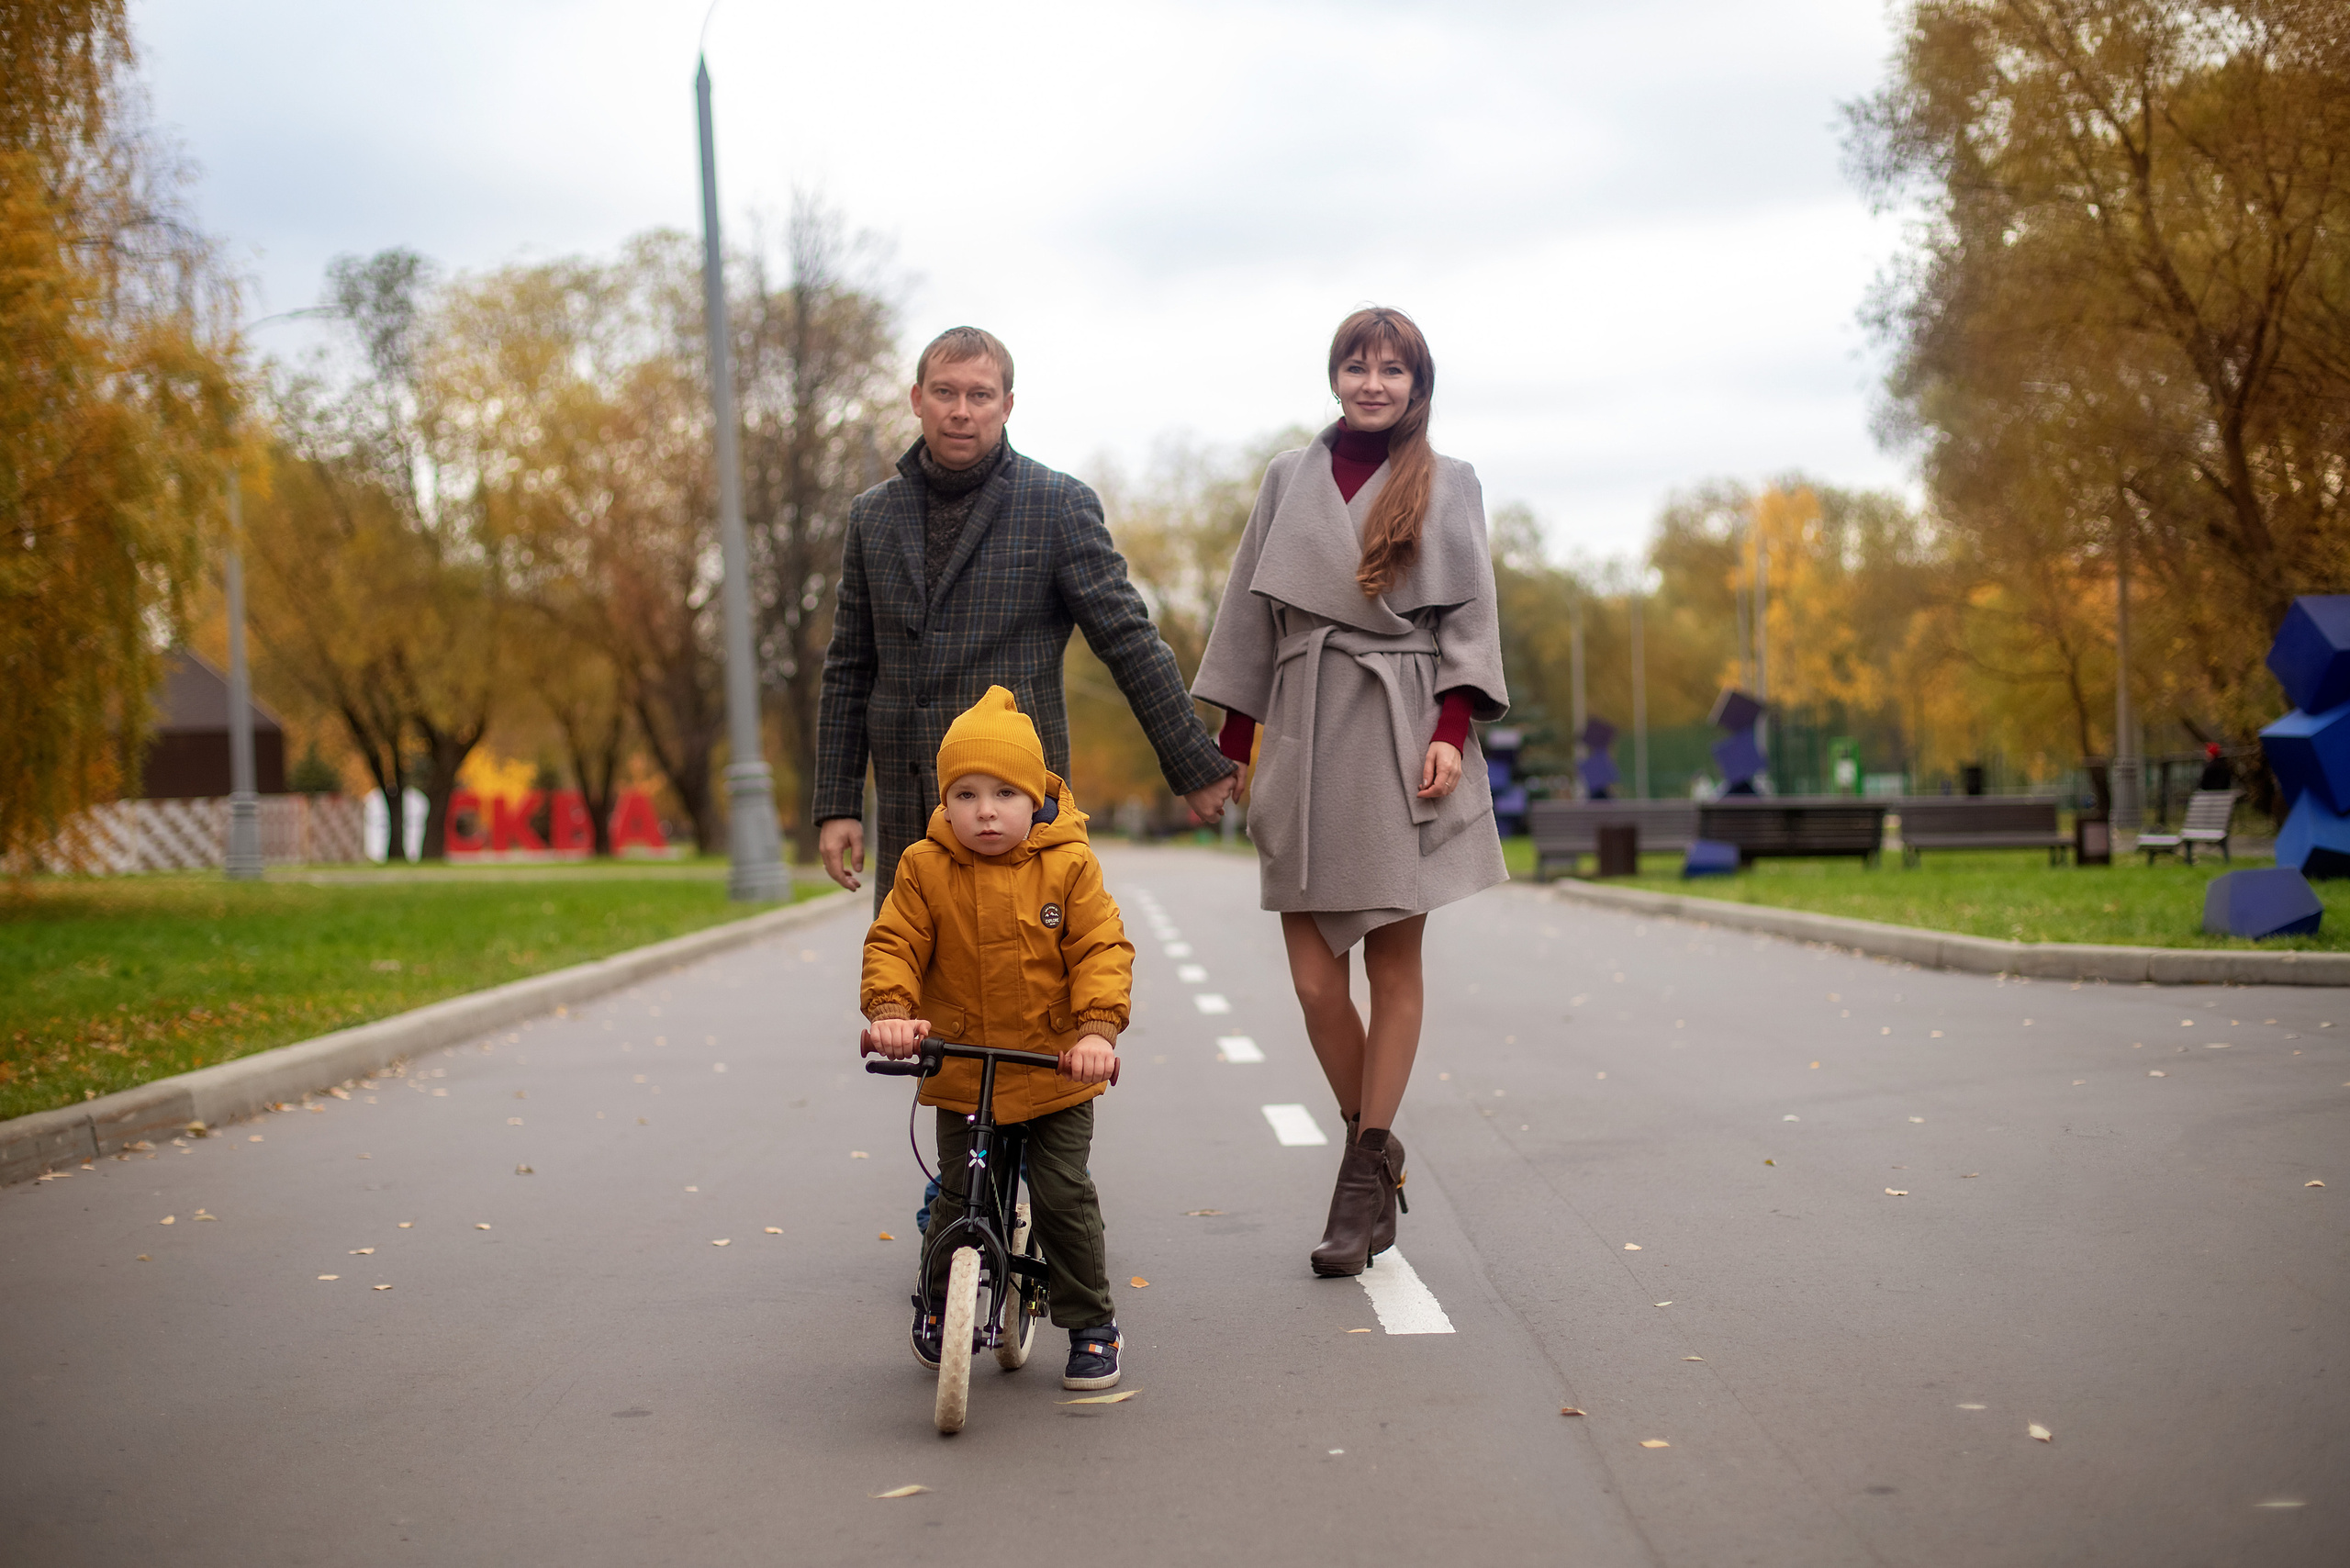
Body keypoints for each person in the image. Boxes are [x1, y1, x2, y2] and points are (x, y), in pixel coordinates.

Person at [1192, 307, 1507, 1277]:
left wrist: (1451, 733)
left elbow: (1469, 618)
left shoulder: (1447, 483)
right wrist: (1230, 747)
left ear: (1418, 385)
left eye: (1391, 370)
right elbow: (1251, 613)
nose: (1372, 383)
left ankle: (1360, 1174)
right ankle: (1378, 1143)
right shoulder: (1289, 475)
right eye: (1356, 365)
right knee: (1312, 980)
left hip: (1402, 727)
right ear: (1335, 375)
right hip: (1302, 721)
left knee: (1392, 967)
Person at [814, 326, 1238, 907]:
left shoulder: (1056, 504)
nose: (961, 412)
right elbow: (849, 668)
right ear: (917, 399)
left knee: (1024, 984)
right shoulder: (873, 516)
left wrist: (1194, 762)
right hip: (911, 810)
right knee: (905, 985)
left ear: (1007, 406)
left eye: (980, 395)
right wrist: (837, 803)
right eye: (944, 393)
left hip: (1019, 812)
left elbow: (1128, 640)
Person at [861, 687, 1134, 1391]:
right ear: (945, 801)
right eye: (967, 794)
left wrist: (1096, 1032)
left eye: (1005, 793)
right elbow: (894, 943)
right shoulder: (925, 868)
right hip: (964, 1067)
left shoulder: (1068, 866)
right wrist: (894, 1012)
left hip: (1053, 1070)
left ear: (1036, 796)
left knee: (1061, 1193)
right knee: (957, 1195)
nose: (986, 810)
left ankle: (1092, 1323)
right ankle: (936, 1301)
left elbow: (1103, 949)